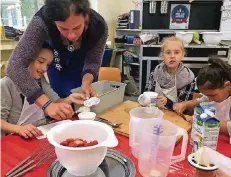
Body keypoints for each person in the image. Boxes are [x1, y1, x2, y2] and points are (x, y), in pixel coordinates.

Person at [6, 0, 108, 120]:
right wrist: (47, 104)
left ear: (86, 17)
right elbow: (14, 66)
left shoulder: (99, 27)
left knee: (87, 111)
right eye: (63, 29)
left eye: (77, 28)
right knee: (60, 114)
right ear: (54, 22)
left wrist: (86, 83)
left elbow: (93, 62)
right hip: (59, 70)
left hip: (85, 73)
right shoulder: (42, 22)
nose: (71, 35)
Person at [1, 43, 85, 139]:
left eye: (48, 64)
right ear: (26, 60)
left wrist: (70, 98)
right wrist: (18, 129)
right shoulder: (6, 84)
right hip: (17, 138)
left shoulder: (40, 80)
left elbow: (54, 103)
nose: (45, 69)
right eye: (41, 62)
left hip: (41, 132)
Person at [173, 57, 231, 137]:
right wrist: (185, 104)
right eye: (207, 95)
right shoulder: (218, 94)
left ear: (228, 85)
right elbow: (203, 99)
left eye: (213, 95)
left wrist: (202, 121)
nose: (210, 99)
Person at [145, 36, 197, 110]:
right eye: (168, 52)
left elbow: (184, 108)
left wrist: (168, 103)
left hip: (175, 117)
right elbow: (147, 96)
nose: (172, 56)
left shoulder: (188, 78)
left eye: (176, 52)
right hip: (155, 113)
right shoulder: (156, 73)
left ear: (182, 55)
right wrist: (154, 102)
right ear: (162, 55)